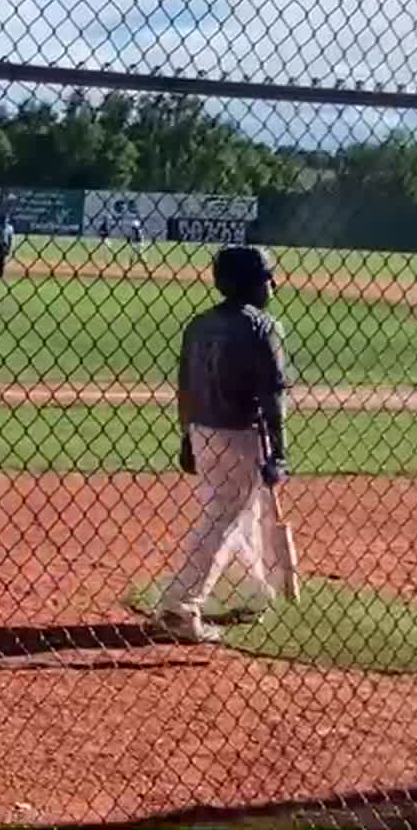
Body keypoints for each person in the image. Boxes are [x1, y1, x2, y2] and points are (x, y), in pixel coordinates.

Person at [155, 244, 292, 644]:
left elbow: (184, 386)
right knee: (225, 516)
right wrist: (279, 453)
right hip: (239, 434)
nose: (273, 284)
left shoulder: (199, 324)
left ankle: (250, 591)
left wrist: (185, 436)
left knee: (238, 512)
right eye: (267, 277)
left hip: (202, 429)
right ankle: (181, 605)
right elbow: (273, 397)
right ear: (249, 283)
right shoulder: (264, 327)